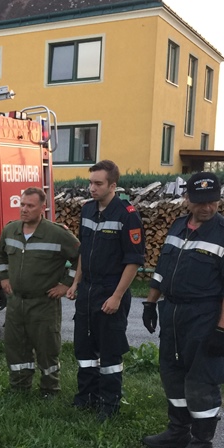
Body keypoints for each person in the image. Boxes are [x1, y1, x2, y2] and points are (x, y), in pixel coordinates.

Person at [141, 171, 224, 448]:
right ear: (187, 199)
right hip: (173, 313)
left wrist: (222, 331)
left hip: (204, 316)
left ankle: (202, 446)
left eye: (212, 201)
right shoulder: (178, 226)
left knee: (202, 380)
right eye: (200, 201)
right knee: (171, 371)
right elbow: (162, 269)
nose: (207, 207)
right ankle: (178, 431)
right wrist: (150, 303)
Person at [66, 160, 146, 421]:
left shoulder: (127, 215)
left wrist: (117, 296)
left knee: (110, 352)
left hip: (111, 290)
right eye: (90, 183)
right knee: (84, 350)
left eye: (98, 183)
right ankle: (86, 397)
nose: (92, 188)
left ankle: (109, 405)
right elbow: (84, 251)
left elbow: (133, 261)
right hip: (87, 290)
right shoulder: (87, 210)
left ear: (113, 185)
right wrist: (76, 283)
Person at [0, 187, 80, 396]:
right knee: (16, 347)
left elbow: (81, 257)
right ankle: (19, 388)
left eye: (30, 206)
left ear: (43, 208)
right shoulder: (10, 230)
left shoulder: (57, 234)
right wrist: (3, 277)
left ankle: (50, 389)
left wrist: (67, 284)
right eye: (22, 204)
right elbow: (0, 254)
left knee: (47, 348)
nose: (24, 209)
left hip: (44, 304)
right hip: (16, 303)